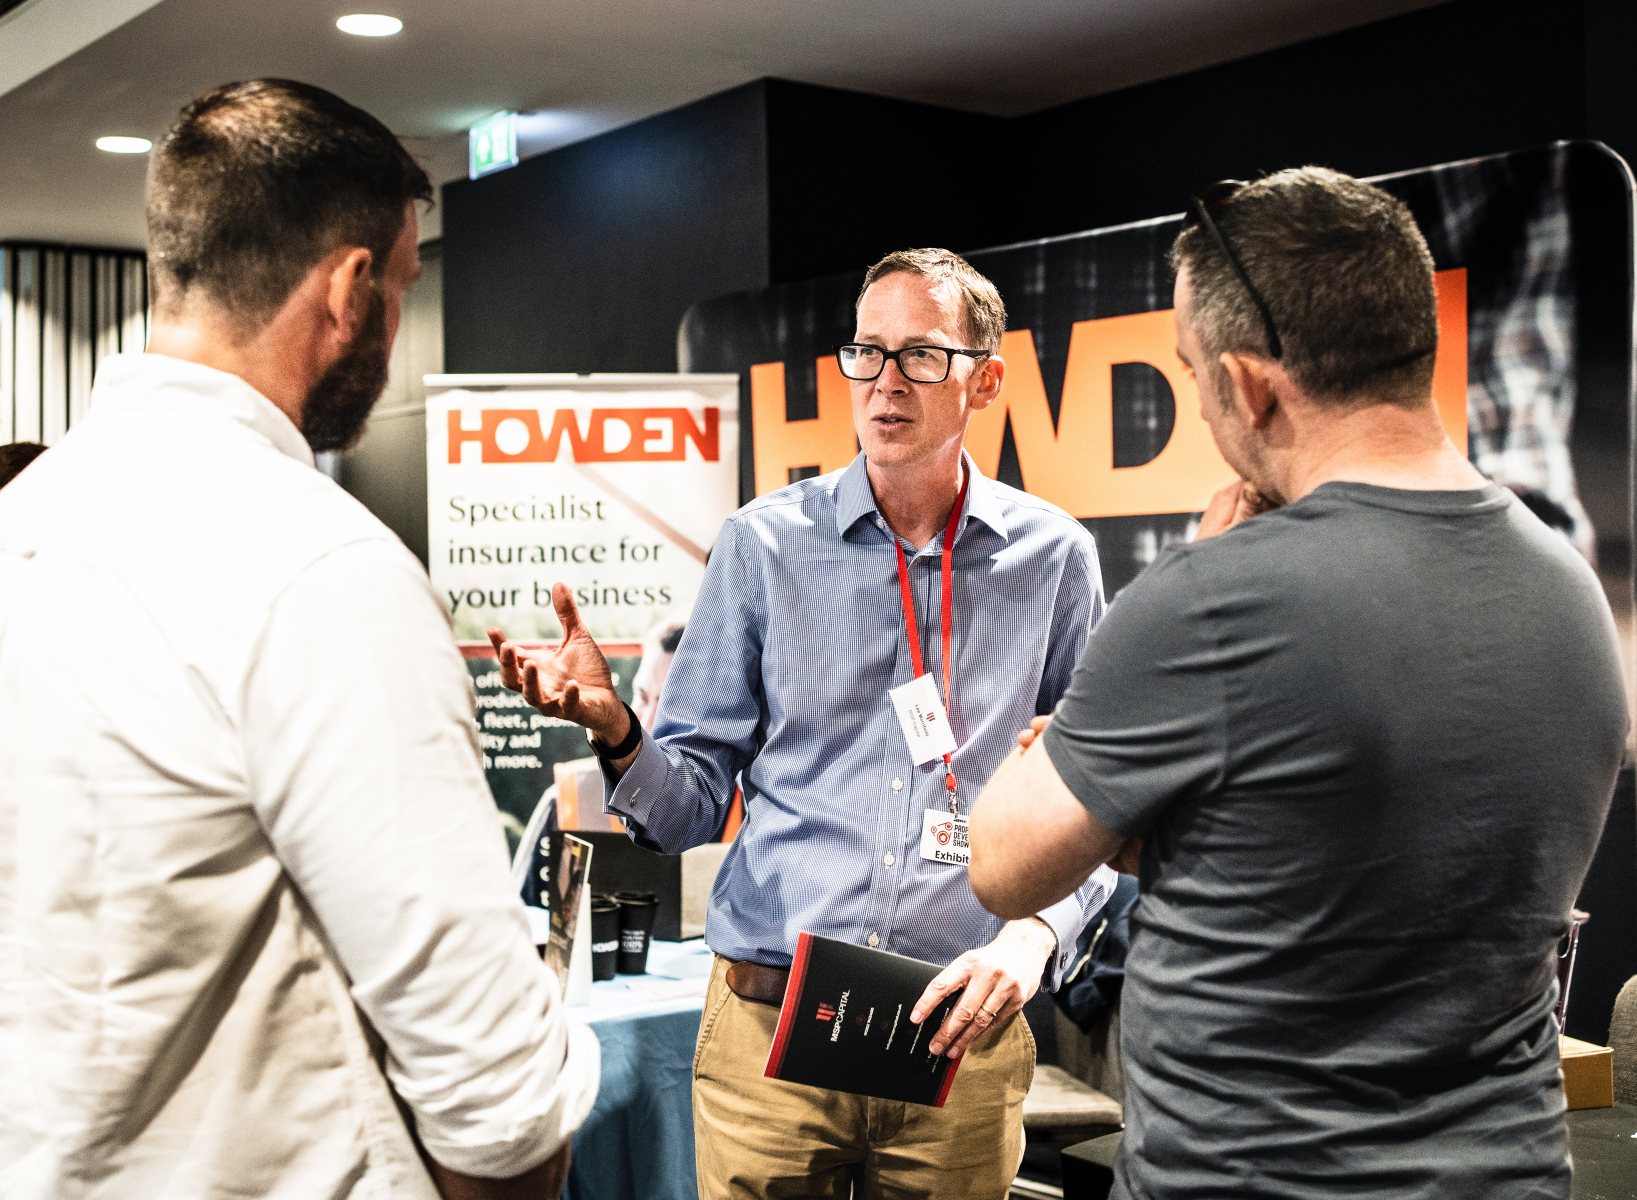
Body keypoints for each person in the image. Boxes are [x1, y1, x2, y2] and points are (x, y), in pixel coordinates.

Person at [968, 168, 1628, 1199]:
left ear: (1249, 385)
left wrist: (1105, 767)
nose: (1201, 404)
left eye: (1192, 374)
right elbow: (1357, 846)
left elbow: (1003, 866)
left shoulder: (1212, 598)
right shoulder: (1570, 588)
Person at [0, 81, 597, 1200]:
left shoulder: (23, 520)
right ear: (348, 288)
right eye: (401, 288)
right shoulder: (322, 569)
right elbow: (494, 1100)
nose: (393, 327)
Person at [488, 248, 1115, 1197]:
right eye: (867, 352)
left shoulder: (1053, 558)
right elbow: (686, 811)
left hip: (958, 1038)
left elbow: (1095, 799)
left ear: (985, 381)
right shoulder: (763, 545)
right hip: (771, 1035)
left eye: (922, 355)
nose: (886, 381)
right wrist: (619, 733)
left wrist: (1035, 936)